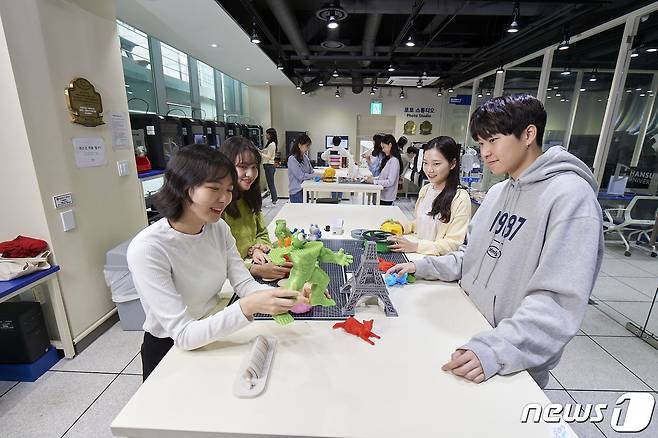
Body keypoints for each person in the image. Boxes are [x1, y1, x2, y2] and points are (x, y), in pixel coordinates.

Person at [387, 94, 603, 388]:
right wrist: (422, 266)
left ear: (529, 134)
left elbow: (557, 302)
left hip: (511, 360)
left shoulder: (570, 198)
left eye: (494, 140)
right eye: (481, 143)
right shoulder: (498, 194)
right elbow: (469, 256)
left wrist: (496, 349)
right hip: (470, 330)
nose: (486, 152)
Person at [127, 145, 306, 381]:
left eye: (229, 190)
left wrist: (285, 296)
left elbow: (244, 283)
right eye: (214, 189)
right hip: (170, 350)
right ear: (183, 187)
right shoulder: (148, 249)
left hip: (214, 332)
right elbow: (183, 335)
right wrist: (247, 307)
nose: (224, 199)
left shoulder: (217, 227)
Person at [221, 136, 292, 281]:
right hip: (228, 279)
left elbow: (262, 233)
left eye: (254, 167)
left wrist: (257, 249)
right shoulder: (217, 207)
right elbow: (215, 261)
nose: (250, 174)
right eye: (243, 167)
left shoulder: (249, 197)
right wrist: (255, 270)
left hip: (247, 265)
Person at [387, 136, 471, 255]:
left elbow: (453, 244)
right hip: (417, 256)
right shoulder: (426, 190)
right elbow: (422, 223)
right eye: (425, 163)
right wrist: (402, 227)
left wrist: (416, 247)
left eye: (436, 164)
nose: (429, 170)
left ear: (452, 164)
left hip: (436, 263)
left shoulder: (460, 198)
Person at [365, 134, 402, 205]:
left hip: (387, 197)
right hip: (383, 195)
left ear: (390, 145)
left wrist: (374, 181)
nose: (383, 150)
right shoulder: (390, 160)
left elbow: (390, 182)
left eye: (384, 147)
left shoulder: (394, 161)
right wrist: (373, 179)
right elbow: (382, 176)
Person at [287, 133, 316, 203]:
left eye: (309, 146)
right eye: (307, 146)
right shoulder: (292, 159)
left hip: (305, 189)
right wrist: (315, 175)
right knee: (298, 213)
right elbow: (301, 176)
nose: (308, 149)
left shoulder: (305, 157)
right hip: (296, 192)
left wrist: (319, 176)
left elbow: (311, 171)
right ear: (299, 145)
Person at [261, 128, 278, 204]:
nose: (266, 135)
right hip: (268, 166)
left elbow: (268, 156)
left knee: (271, 184)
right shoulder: (270, 144)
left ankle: (274, 199)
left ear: (270, 135)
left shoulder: (272, 144)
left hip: (269, 166)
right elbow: (265, 151)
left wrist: (260, 154)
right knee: (270, 183)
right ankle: (274, 199)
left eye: (267, 134)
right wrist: (260, 150)